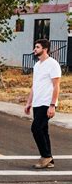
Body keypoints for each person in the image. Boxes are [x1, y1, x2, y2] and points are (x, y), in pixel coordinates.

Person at [24, 39, 61, 169]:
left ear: (45, 49)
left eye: (37, 47)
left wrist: (52, 105)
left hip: (47, 102)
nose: (35, 49)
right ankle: (49, 160)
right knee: (43, 130)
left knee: (36, 128)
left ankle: (45, 156)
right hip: (37, 102)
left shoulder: (53, 64)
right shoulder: (37, 65)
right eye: (35, 47)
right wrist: (29, 102)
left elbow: (56, 86)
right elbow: (35, 85)